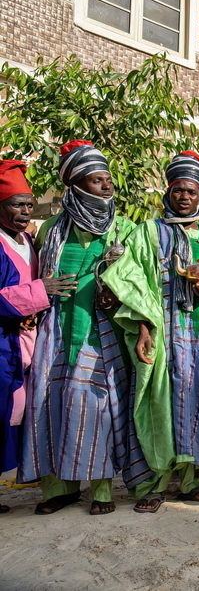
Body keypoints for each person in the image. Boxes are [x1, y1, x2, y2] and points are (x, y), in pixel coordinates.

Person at [101, 151, 199, 513]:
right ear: (167, 193)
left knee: (198, 402)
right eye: (178, 191)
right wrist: (143, 328)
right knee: (157, 403)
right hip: (161, 333)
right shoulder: (148, 233)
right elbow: (132, 282)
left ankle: (190, 479)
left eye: (191, 191)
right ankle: (151, 484)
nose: (184, 197)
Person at [20, 141, 136, 516]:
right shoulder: (51, 229)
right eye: (96, 180)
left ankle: (101, 490)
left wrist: (116, 298)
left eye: (108, 180)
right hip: (55, 334)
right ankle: (59, 488)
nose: (106, 187)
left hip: (102, 335)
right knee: (51, 405)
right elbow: (36, 277)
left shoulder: (124, 230)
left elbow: (139, 281)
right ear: (76, 186)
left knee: (98, 408)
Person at [0, 160, 77, 513]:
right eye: (17, 204)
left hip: (26, 343)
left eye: (29, 204)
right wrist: (38, 293)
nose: (26, 211)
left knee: (19, 413)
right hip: (3, 345)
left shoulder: (30, 240)